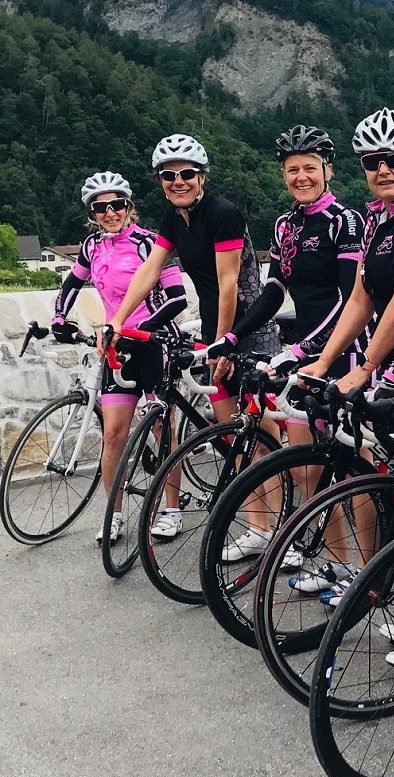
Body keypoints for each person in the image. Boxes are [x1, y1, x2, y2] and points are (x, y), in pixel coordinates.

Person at [296, 107, 394, 605]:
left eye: (393, 159)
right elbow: (361, 299)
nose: (383, 169)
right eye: (371, 161)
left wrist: (364, 368)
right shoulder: (376, 220)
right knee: (370, 476)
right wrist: (325, 361)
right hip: (391, 364)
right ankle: (369, 577)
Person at [106, 134, 280, 540]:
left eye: (187, 174)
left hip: (248, 331)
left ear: (202, 176)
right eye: (168, 176)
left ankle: (284, 527)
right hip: (215, 332)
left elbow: (228, 282)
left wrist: (224, 343)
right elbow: (150, 269)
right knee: (234, 435)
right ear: (160, 181)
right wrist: (117, 320)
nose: (178, 181)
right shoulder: (174, 216)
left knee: (262, 441)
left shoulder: (222, 214)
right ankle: (259, 530)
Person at [205, 124, 365, 563]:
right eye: (292, 170)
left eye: (310, 168)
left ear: (328, 170)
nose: (301, 177)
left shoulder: (346, 221)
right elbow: (274, 291)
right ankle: (338, 564)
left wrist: (301, 350)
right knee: (307, 469)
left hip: (347, 351)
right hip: (305, 352)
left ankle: (371, 573)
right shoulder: (285, 225)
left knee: (357, 474)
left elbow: (349, 301)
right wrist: (232, 336)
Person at [52, 171, 187, 544]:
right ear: (92, 213)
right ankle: (113, 514)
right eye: (101, 208)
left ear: (129, 206)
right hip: (117, 347)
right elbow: (72, 283)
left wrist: (134, 328)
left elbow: (177, 298)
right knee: (113, 434)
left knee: (162, 429)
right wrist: (58, 317)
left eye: (117, 205)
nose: (110, 212)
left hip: (154, 343)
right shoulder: (91, 246)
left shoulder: (150, 243)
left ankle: (171, 509)